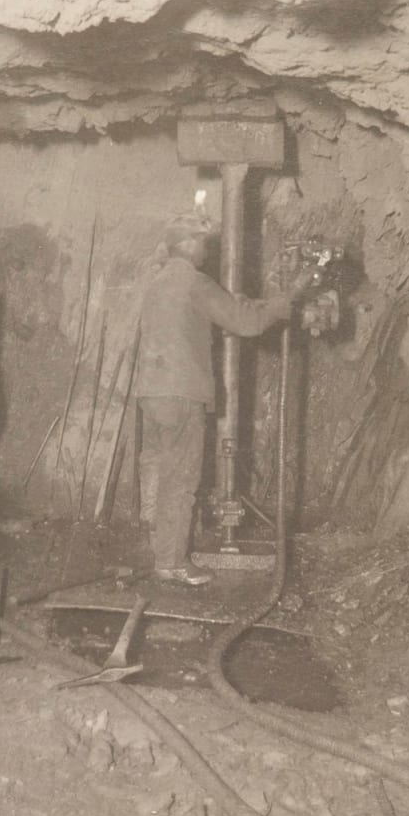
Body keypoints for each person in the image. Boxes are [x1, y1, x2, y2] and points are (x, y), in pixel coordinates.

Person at [134, 210, 306, 587]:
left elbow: (207, 313)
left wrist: (232, 301)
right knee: (181, 479)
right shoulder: (195, 282)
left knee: (159, 470)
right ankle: (172, 562)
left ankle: (159, 546)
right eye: (203, 245)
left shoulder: (159, 280)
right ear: (189, 245)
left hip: (151, 391)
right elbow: (246, 323)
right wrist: (283, 302)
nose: (205, 252)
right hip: (182, 393)